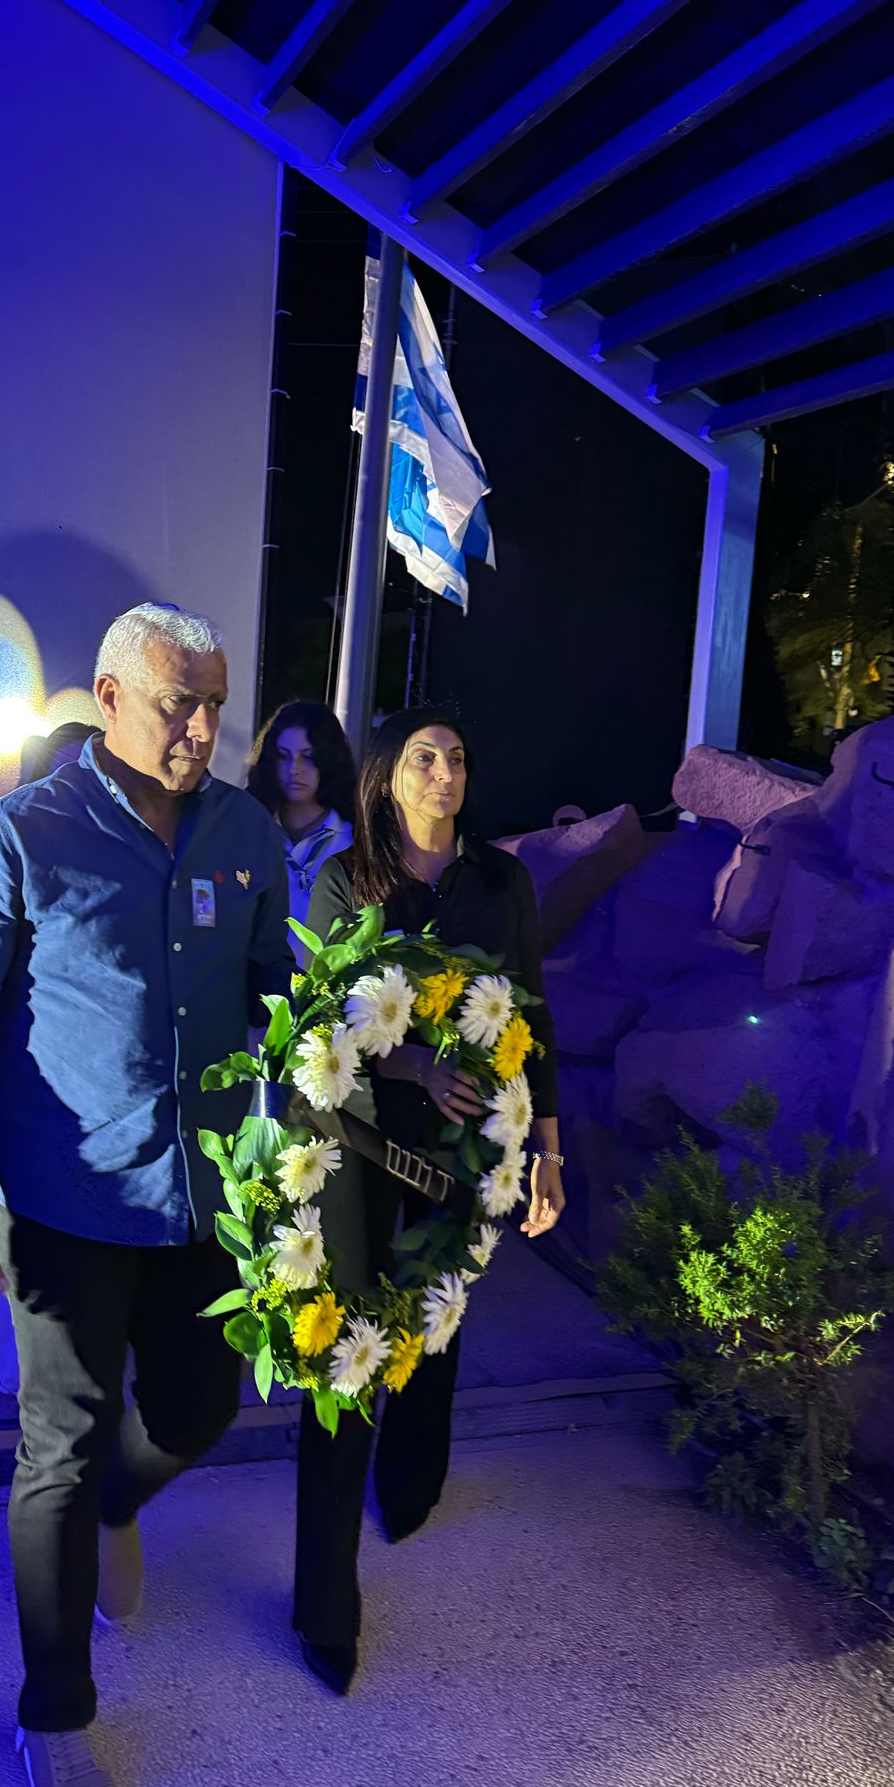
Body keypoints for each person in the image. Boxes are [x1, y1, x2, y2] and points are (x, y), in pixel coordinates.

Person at [0, 602, 291, 1787]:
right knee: (55, 1448)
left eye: (215, 702)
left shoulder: (245, 831)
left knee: (198, 1411)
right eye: (180, 703)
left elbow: (280, 998)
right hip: (62, 1206)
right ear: (110, 697)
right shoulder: (19, 837)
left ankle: (123, 1500)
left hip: (203, 1198)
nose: (204, 727)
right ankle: (53, 1715)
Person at [294, 706, 565, 1694]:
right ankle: (324, 1599)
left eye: (456, 757)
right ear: (387, 774)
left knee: (437, 1320)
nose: (444, 773)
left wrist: (549, 1147)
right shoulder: (347, 879)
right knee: (352, 1345)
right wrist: (411, 1062)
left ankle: (411, 1484)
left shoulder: (500, 880)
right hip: (365, 1141)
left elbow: (531, 1010)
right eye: (423, 757)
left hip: (469, 1145)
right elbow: (323, 1018)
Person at [0, 720, 102, 1404]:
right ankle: (23, 1373)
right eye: (62, 769)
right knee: (28, 1223)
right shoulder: (7, 848)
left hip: (95, 1082)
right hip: (24, 1071)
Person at [245, 701, 354, 965]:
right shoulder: (250, 831)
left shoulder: (354, 837)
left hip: (330, 985)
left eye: (308, 757)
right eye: (284, 756)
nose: (294, 769)